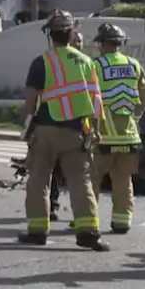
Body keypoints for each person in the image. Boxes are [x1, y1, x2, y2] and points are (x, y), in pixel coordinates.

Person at [20, 10, 108, 251]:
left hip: (46, 128)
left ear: (51, 35)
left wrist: (28, 124)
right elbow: (96, 100)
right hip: (76, 130)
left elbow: (30, 100)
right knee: (81, 180)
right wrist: (94, 130)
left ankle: (38, 230)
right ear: (72, 34)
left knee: (39, 179)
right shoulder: (86, 62)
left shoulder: (42, 62)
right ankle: (88, 232)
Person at [91, 23, 145, 234]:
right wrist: (134, 117)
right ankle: (122, 221)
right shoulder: (134, 65)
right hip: (129, 136)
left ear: (101, 45)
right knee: (123, 180)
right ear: (121, 44)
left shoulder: (96, 66)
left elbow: (90, 98)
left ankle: (88, 221)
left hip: (103, 136)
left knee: (92, 179)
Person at [48, 30, 86, 220]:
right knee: (52, 171)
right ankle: (51, 205)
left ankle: (81, 215)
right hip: (55, 122)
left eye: (81, 41)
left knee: (77, 174)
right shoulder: (53, 62)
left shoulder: (85, 63)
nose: (78, 44)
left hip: (77, 125)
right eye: (76, 40)